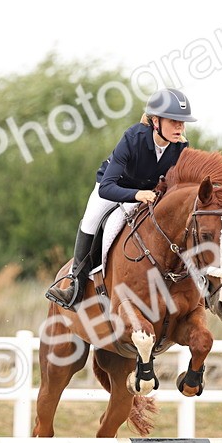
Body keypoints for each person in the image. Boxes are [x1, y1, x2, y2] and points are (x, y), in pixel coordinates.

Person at [44, 88, 196, 309]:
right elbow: (106, 187)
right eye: (174, 121)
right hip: (115, 188)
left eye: (182, 122)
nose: (180, 127)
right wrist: (136, 194)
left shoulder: (181, 147)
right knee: (90, 221)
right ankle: (74, 286)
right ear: (155, 121)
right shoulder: (133, 139)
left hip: (148, 195)